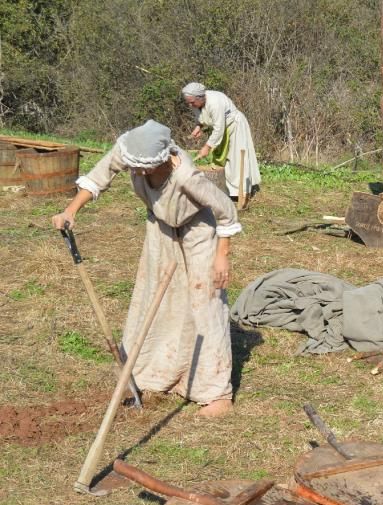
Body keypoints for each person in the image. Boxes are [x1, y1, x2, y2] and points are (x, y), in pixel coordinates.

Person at [51, 120, 240, 417]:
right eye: (134, 167)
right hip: (161, 230)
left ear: (162, 158)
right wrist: (71, 210)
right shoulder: (130, 150)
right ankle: (158, 372)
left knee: (205, 304)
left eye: (144, 169)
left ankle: (215, 392)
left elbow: (226, 212)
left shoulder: (187, 176)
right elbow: (100, 175)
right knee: (157, 299)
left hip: (199, 233)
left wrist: (222, 256)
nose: (136, 173)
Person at [182, 82, 261, 201]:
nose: (190, 105)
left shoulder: (215, 102)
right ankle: (228, 190)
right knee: (223, 160)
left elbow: (219, 127)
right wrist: (199, 127)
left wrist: (207, 147)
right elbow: (203, 118)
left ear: (200, 97)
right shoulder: (196, 103)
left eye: (192, 102)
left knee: (236, 160)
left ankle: (242, 192)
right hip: (223, 130)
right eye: (188, 102)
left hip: (235, 127)